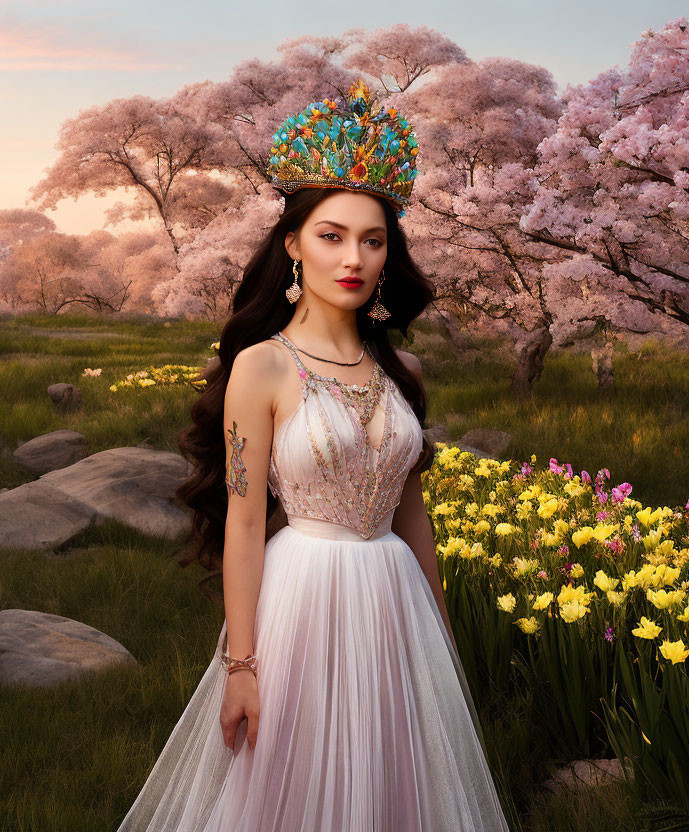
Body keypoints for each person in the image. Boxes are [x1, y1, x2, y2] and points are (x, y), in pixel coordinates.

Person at [116, 78, 512, 832]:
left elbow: (412, 513)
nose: (353, 257)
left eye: (373, 239)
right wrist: (241, 665)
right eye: (332, 236)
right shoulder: (263, 366)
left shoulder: (403, 371)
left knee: (394, 786)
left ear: (389, 253)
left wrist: (443, 632)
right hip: (302, 594)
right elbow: (240, 524)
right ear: (294, 245)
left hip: (395, 600)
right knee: (293, 789)